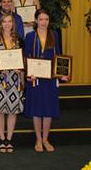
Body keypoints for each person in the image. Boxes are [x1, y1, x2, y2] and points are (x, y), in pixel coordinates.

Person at [24, 9, 69, 153]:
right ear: (36, 20)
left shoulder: (54, 35)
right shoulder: (30, 36)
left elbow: (59, 57)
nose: (44, 22)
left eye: (46, 19)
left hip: (49, 79)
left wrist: (62, 75)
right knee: (37, 109)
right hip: (35, 79)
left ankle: (45, 139)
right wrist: (28, 74)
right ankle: (38, 139)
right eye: (41, 19)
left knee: (48, 109)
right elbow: (26, 57)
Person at [0, 14, 24, 153]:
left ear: (13, 24)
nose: (7, 24)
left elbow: (23, 59)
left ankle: (9, 139)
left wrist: (20, 70)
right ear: (0, 24)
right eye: (5, 22)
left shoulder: (19, 40)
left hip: (15, 79)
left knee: (12, 109)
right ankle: (1, 138)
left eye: (10, 21)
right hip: (0, 78)